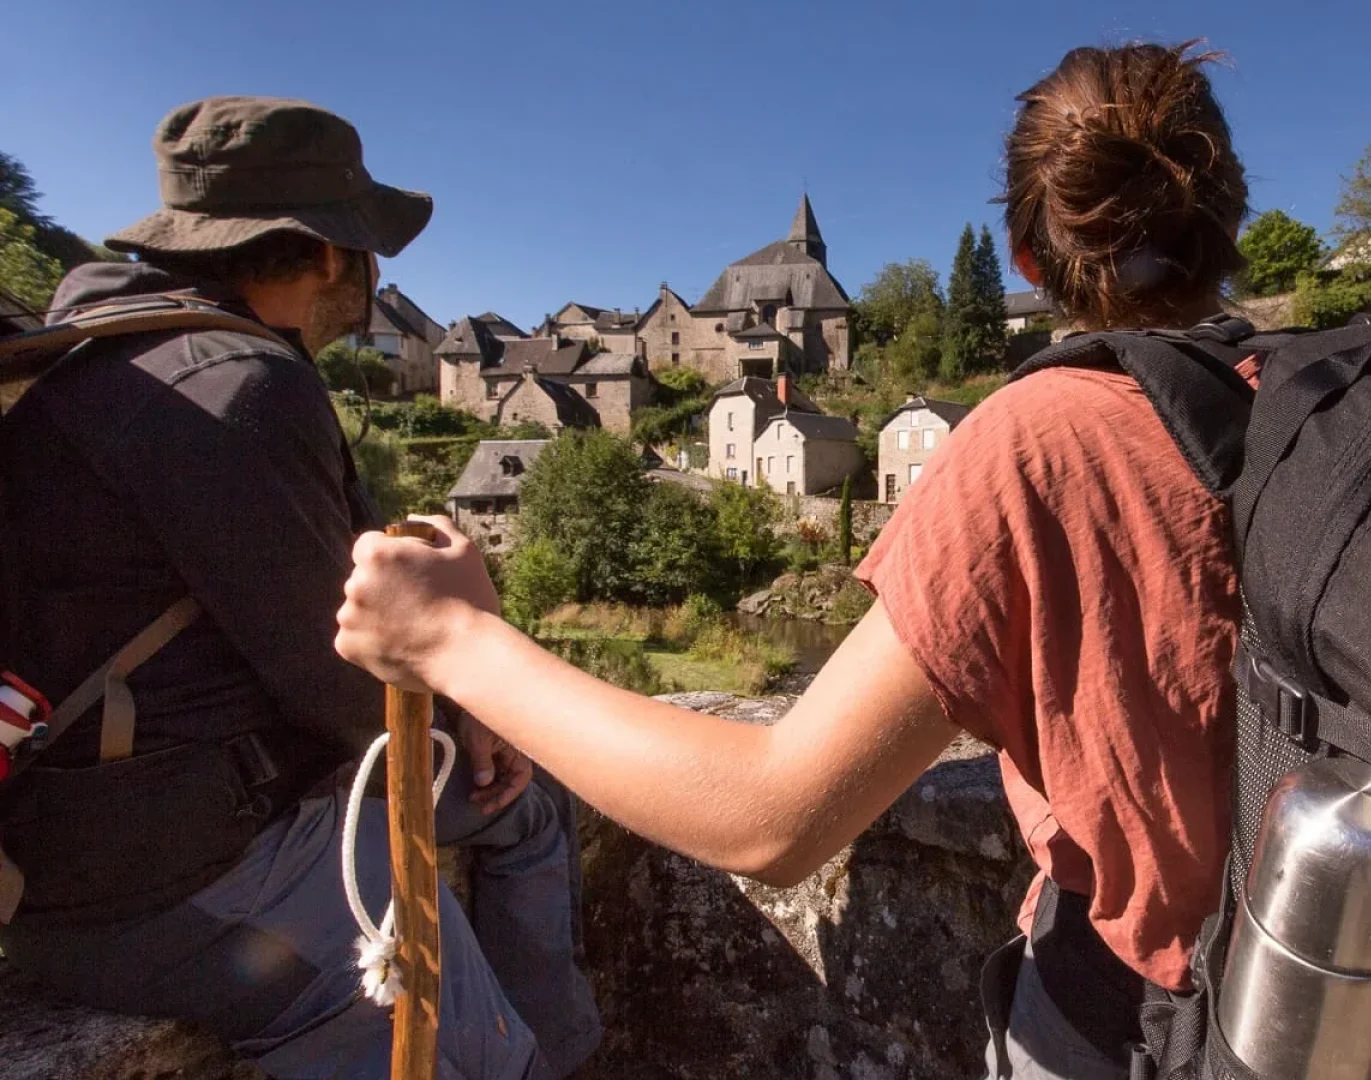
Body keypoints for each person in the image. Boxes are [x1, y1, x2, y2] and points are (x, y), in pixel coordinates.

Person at [337, 41, 1247, 1080]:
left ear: (1027, 259)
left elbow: (775, 817)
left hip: (1153, 1015)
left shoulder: (1036, 437)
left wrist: (455, 641)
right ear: (1232, 216)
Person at [0, 97, 600, 1079]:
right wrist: (480, 701)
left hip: (60, 856)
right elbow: (345, 687)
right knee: (504, 820)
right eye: (368, 255)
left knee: (523, 803)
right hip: (167, 884)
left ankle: (553, 1051)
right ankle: (523, 1063)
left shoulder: (91, 358)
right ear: (330, 254)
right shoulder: (244, 385)